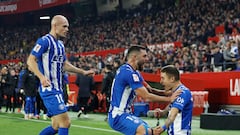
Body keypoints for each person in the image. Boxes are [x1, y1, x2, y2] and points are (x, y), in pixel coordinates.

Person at [27, 15, 95, 135]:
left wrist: (83, 72)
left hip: (58, 89)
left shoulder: (60, 45)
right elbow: (30, 60)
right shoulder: (44, 41)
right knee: (65, 123)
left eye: (67, 27)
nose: (67, 29)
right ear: (55, 25)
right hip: (50, 89)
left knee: (56, 126)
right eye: (64, 26)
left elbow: (65, 65)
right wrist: (41, 77)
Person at [108, 45, 181, 135]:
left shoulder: (135, 73)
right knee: (142, 130)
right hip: (118, 115)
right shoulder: (127, 72)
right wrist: (169, 99)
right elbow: (146, 97)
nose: (147, 59)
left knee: (150, 132)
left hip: (127, 114)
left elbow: (149, 90)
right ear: (134, 57)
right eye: (144, 56)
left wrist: (167, 93)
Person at [153, 65, 193, 135]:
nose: (161, 82)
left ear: (172, 79)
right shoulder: (177, 92)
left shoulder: (182, 92)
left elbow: (173, 115)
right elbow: (172, 107)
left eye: (163, 78)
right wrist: (162, 112)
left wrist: (162, 129)